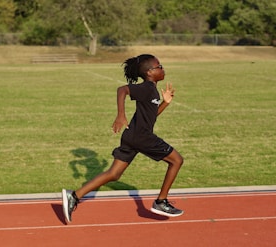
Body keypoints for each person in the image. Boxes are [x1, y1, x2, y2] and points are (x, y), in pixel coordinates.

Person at [62, 54, 184, 223]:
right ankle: (160, 201)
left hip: (132, 136)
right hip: (142, 137)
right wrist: (121, 115)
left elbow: (151, 116)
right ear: (149, 72)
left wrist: (165, 102)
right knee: (177, 160)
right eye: (159, 66)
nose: (163, 69)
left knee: (114, 173)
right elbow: (122, 90)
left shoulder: (151, 90)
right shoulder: (147, 87)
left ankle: (74, 196)